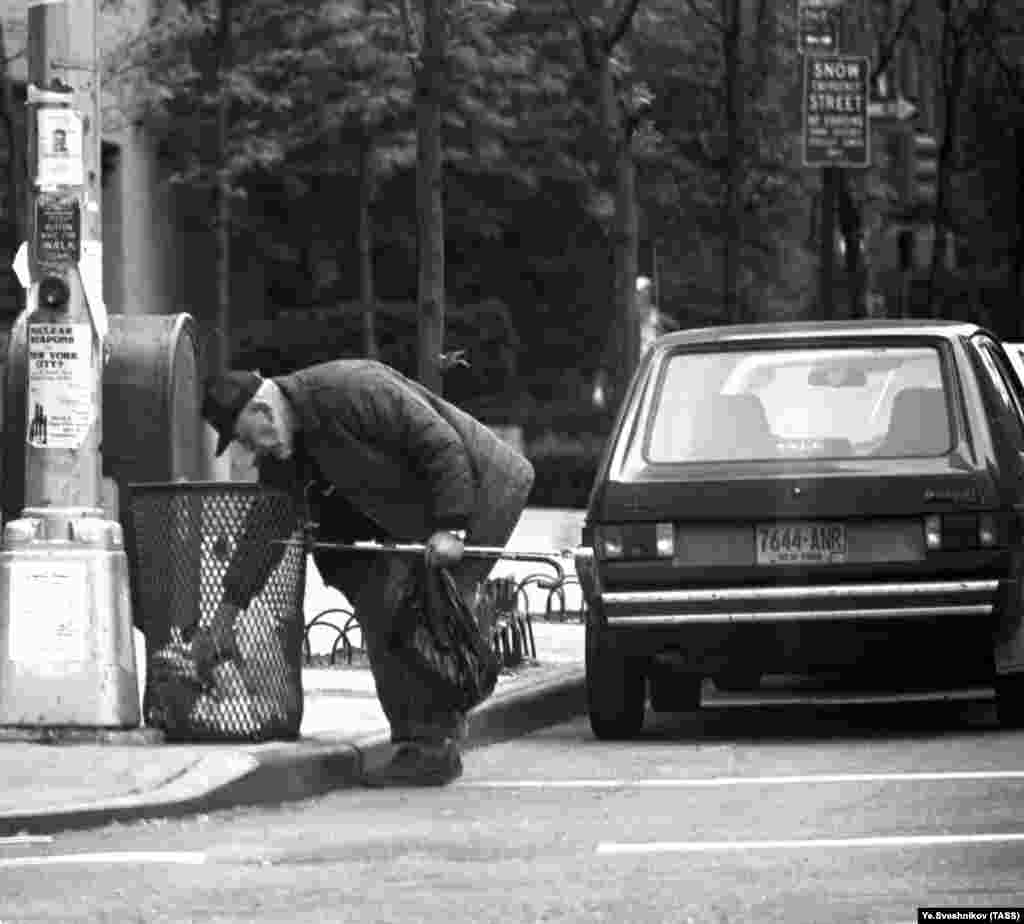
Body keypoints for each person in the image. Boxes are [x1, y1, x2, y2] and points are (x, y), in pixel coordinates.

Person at [201, 360, 534, 786]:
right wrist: (227, 612)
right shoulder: (286, 450)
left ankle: (431, 746)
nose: (251, 452)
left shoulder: (351, 390)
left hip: (483, 491)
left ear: (262, 410)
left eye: (246, 439)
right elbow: (265, 531)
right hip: (419, 516)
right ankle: (429, 741)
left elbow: (440, 445)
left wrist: (452, 526)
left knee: (420, 618)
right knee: (386, 606)